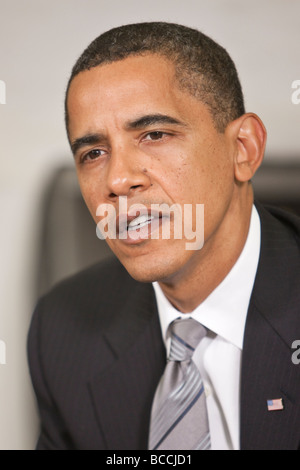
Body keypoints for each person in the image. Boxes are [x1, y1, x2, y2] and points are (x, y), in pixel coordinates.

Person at [27, 22, 300, 450]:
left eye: (155, 135)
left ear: (243, 149)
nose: (117, 179)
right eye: (93, 153)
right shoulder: (63, 332)